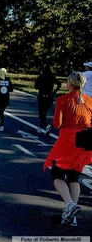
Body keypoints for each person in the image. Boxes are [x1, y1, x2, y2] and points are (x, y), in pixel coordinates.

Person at [43, 71, 92, 227]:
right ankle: (72, 216)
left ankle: (70, 204)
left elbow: (57, 123)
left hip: (68, 141)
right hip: (85, 141)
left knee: (56, 173)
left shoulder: (63, 100)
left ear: (70, 84)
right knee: (73, 176)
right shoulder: (90, 101)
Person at [34, 65, 62, 135]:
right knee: (45, 112)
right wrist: (54, 92)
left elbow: (36, 87)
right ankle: (41, 127)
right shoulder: (52, 77)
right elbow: (59, 84)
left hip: (42, 96)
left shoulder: (40, 78)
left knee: (42, 113)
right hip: (49, 96)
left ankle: (46, 125)